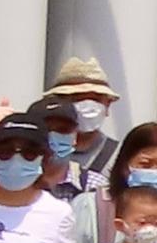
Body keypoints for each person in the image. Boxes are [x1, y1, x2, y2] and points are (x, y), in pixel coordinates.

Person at [41, 55, 121, 198]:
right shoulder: (37, 152)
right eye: (77, 99)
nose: (87, 106)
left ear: (108, 105)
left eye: (96, 99)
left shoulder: (119, 155)